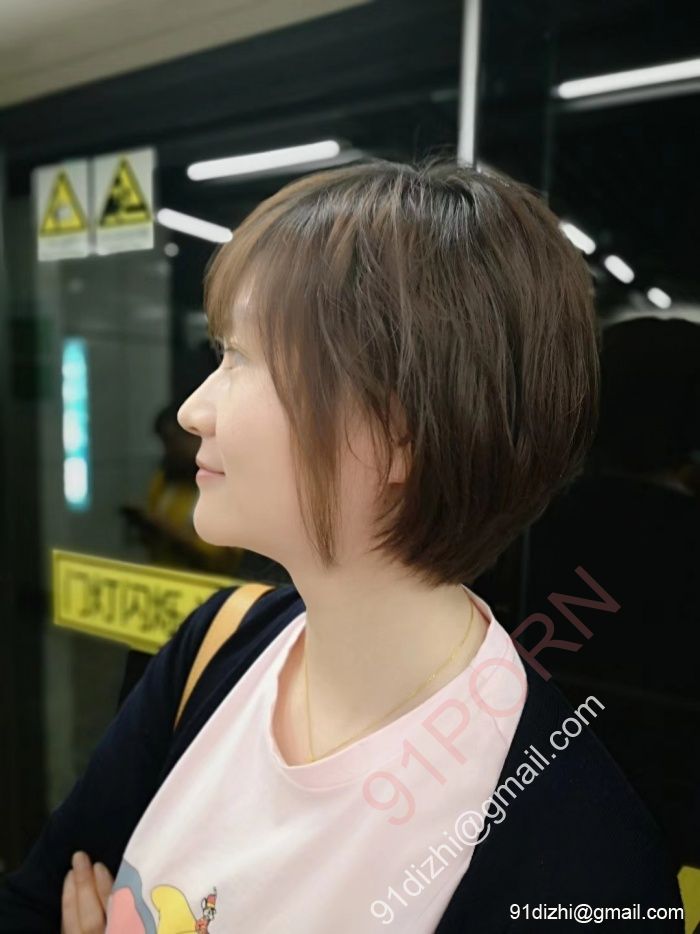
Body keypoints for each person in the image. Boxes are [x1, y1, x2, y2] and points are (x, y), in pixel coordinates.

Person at [0, 158, 684, 932]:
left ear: (398, 432)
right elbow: (34, 900)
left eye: (242, 358)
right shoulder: (219, 647)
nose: (194, 409)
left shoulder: (583, 860)